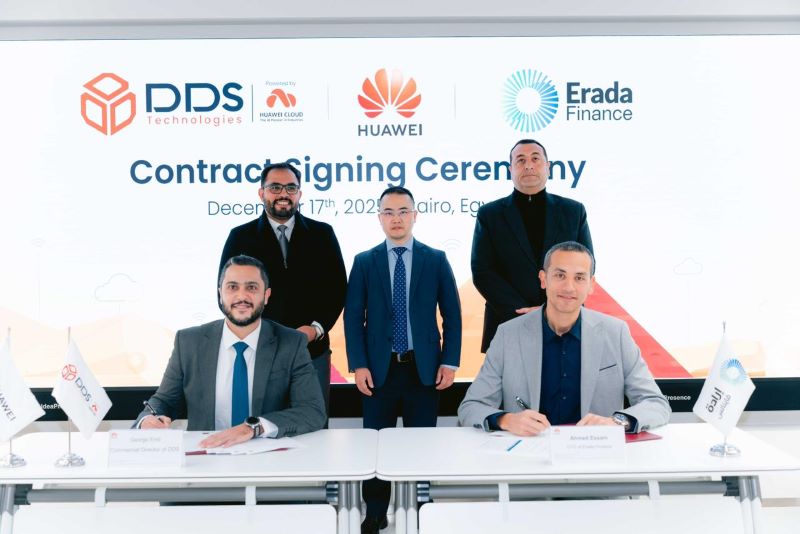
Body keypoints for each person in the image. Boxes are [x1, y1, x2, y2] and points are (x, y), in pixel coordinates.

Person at [459, 241, 670, 436]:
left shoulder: (616, 332)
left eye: (579, 278)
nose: (569, 287)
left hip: (594, 453)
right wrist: (506, 420)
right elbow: (471, 407)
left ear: (591, 284)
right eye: (560, 275)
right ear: (543, 279)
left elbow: (656, 403)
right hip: (529, 453)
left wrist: (617, 422)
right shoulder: (508, 334)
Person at [344, 186, 462, 534]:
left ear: (415, 215)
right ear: (379, 218)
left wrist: (450, 361)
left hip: (423, 371)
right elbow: (353, 318)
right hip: (378, 373)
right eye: (389, 212)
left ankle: (421, 510)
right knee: (375, 446)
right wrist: (359, 364)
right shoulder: (365, 262)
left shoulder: (435, 259)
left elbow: (452, 315)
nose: (396, 218)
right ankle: (375, 512)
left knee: (422, 446)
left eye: (403, 211)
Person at [136, 255, 325, 446]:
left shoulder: (291, 342)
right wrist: (147, 420)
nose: (241, 296)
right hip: (206, 453)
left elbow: (312, 411)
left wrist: (254, 427)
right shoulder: (189, 342)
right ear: (220, 293)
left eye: (252, 287)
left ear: (266, 295)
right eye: (232, 287)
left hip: (267, 456)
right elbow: (165, 401)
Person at [219, 162, 347, 419]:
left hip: (311, 352)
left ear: (299, 194)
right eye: (275, 187)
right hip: (261, 354)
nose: (283, 194)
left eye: (291, 188)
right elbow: (226, 294)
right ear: (261, 193)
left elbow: (337, 290)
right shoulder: (240, 237)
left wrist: (315, 329)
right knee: (264, 431)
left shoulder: (322, 234)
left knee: (314, 428)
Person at [471, 139, 593, 352]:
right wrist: (524, 312)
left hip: (564, 323)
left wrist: (551, 310)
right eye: (520, 160)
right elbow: (482, 271)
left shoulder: (573, 211)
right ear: (510, 169)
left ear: (548, 167)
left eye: (535, 158)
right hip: (508, 323)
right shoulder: (490, 214)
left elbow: (587, 266)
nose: (528, 165)